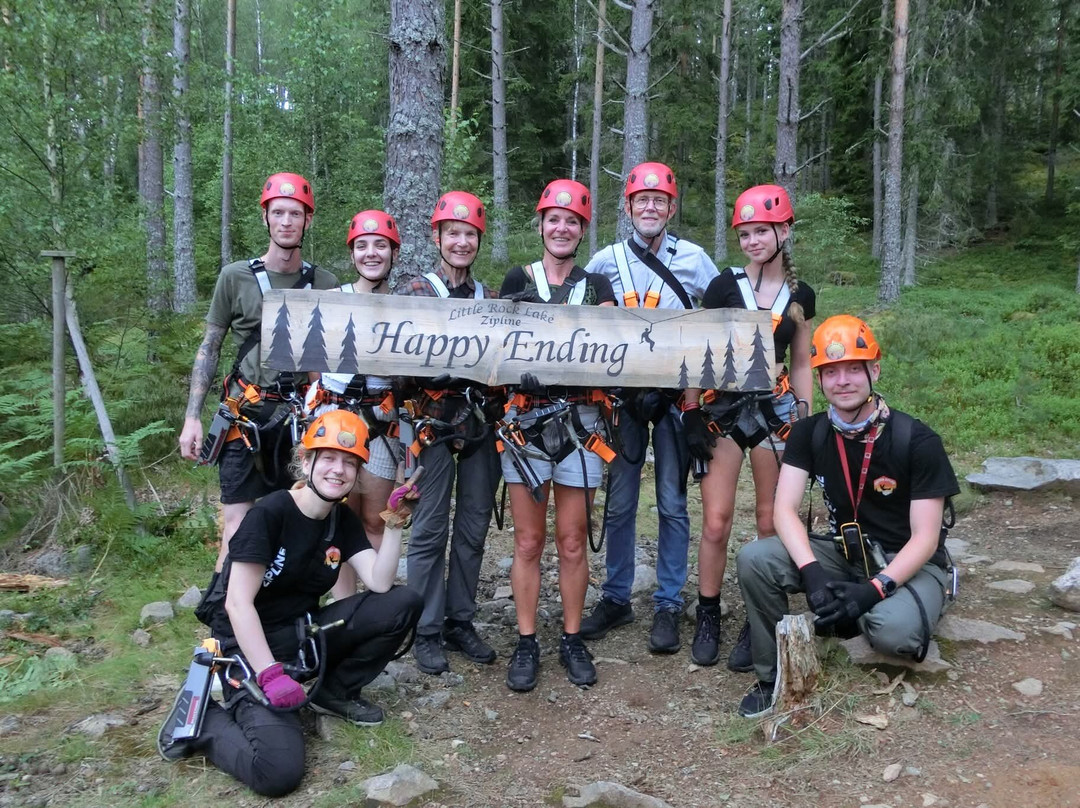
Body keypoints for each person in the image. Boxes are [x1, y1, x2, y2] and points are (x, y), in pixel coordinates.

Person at [162, 410, 423, 797]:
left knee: (403, 602)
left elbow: (380, 582)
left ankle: (333, 693)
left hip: (303, 635)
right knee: (278, 772)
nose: (339, 470)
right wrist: (269, 674)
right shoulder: (270, 514)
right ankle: (204, 721)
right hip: (247, 649)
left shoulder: (340, 519)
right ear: (306, 461)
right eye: (329, 458)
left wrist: (395, 521)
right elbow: (236, 604)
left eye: (350, 463)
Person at [734, 315, 959, 717]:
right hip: (845, 552)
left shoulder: (916, 440)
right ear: (819, 379)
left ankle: (879, 607)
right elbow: (784, 509)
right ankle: (772, 677)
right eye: (831, 372)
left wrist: (873, 591)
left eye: (854, 368)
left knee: (893, 633)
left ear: (874, 370)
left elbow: (925, 537)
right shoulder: (809, 433)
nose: (843, 381)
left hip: (903, 561)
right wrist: (811, 572)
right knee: (756, 558)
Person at [579, 161, 720, 654]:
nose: (651, 207)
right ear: (629, 207)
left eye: (660, 201)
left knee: (672, 502)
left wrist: (703, 396)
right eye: (643, 200)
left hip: (676, 399)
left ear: (672, 207)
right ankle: (616, 596)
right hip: (623, 402)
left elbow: (722, 316)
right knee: (620, 502)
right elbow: (580, 321)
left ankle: (667, 602)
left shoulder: (695, 259)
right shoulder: (605, 261)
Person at [680, 184, 815, 669]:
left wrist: (805, 417)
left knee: (766, 521)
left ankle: (756, 621)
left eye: (762, 231)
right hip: (724, 413)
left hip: (774, 416)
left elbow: (800, 362)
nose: (754, 241)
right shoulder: (723, 286)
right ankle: (709, 613)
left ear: (783, 231)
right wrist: (690, 409)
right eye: (746, 233)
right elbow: (698, 350)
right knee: (715, 522)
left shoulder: (799, 295)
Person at [177, 173, 338, 571]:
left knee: (300, 517)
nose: (286, 221)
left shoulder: (325, 284)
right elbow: (210, 346)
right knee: (237, 523)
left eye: (295, 214)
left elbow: (332, 361)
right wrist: (192, 418)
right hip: (244, 415)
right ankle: (223, 620)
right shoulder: (236, 277)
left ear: (307, 221)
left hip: (299, 418)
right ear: (265, 218)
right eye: (278, 212)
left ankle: (285, 617)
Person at [498, 179, 616, 691]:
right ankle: (526, 642)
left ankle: (571, 636)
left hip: (581, 423)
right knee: (528, 540)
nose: (562, 227)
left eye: (572, 221)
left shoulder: (598, 288)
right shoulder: (515, 279)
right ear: (541, 225)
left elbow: (615, 350)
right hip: (526, 423)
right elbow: (497, 345)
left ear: (582, 229)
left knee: (571, 542)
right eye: (554, 219)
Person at [395, 191, 503, 675]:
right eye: (453, 233)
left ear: (479, 241)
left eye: (469, 235)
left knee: (474, 523)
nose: (461, 242)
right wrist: (419, 378)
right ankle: (425, 627)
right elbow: (391, 360)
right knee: (429, 527)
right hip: (429, 421)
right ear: (436, 237)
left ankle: (461, 619)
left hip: (479, 422)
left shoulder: (492, 299)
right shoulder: (414, 294)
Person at [305, 210, 405, 600]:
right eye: (362, 246)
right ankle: (343, 607)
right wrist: (320, 400)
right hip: (334, 419)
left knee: (374, 518)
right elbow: (308, 355)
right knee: (334, 516)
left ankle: (377, 609)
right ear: (352, 254)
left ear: (393, 252)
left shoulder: (404, 306)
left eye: (380, 245)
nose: (371, 253)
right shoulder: (331, 300)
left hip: (380, 421)